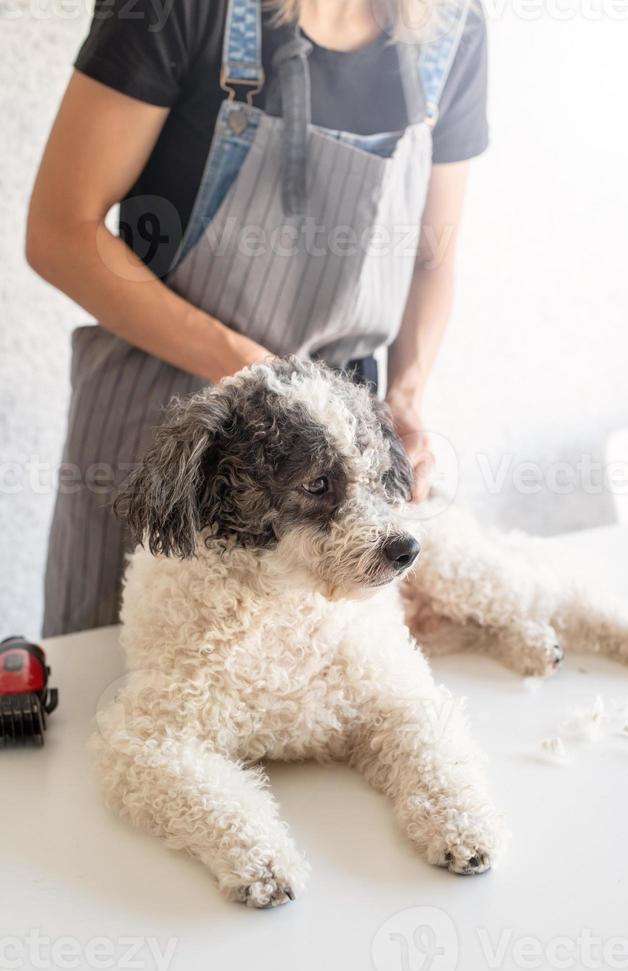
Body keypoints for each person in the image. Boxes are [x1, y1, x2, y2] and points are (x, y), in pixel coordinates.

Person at [26, 0, 488, 637]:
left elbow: (432, 257)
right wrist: (268, 385)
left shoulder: (448, 23)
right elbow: (60, 233)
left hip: (334, 463)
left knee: (317, 703)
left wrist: (405, 396)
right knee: (120, 695)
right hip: (159, 434)